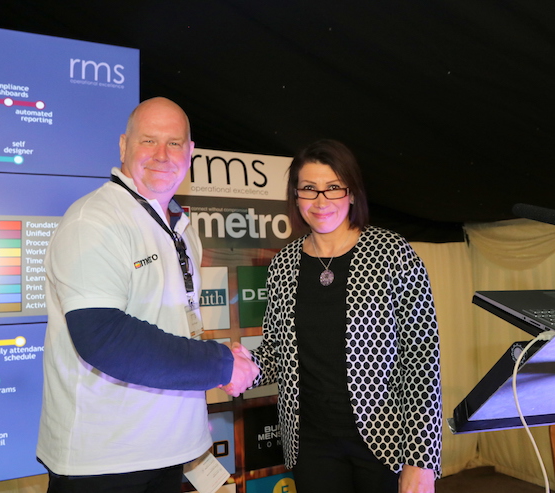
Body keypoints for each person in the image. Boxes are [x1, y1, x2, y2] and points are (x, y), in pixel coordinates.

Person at [37, 97, 258, 493]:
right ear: (124, 146)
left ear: (190, 152)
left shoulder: (180, 227)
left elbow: (172, 326)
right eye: (148, 141)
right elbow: (104, 337)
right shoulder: (95, 220)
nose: (161, 155)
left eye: (174, 143)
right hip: (105, 463)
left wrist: (218, 362)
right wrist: (221, 364)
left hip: (169, 453)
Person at [242, 139, 442, 493]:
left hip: (385, 442)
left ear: (351, 193)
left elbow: (422, 359)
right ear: (296, 196)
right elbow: (276, 353)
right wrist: (240, 367)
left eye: (333, 187)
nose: (321, 201)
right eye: (309, 188)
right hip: (310, 443)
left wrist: (421, 458)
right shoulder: (283, 264)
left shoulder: (392, 254)